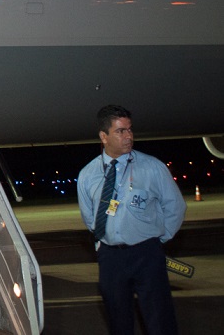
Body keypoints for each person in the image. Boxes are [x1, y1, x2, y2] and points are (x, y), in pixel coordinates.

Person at [76, 105, 186, 335]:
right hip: (111, 258)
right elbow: (89, 216)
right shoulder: (88, 174)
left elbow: (175, 207)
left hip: (146, 254)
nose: (128, 136)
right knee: (118, 321)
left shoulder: (152, 167)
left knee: (159, 319)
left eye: (130, 129)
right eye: (120, 131)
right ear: (104, 136)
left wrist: (158, 240)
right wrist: (102, 244)